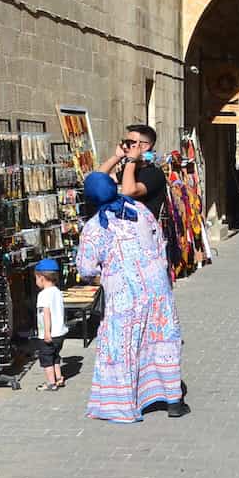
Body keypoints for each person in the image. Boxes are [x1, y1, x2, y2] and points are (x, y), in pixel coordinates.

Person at [77, 172, 189, 421]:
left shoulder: (94, 228)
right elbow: (160, 243)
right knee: (161, 340)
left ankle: (124, 403)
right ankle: (173, 400)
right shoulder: (139, 209)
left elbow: (86, 269)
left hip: (124, 295)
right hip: (157, 290)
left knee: (124, 344)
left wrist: (102, 274)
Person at [98, 123, 167, 222]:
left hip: (142, 233)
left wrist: (131, 160)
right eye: (124, 142)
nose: (125, 146)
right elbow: (98, 179)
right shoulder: (129, 171)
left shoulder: (154, 174)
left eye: (129, 142)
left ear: (144, 146)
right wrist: (116, 157)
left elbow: (128, 191)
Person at [34, 259, 68, 391]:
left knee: (46, 358)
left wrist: (46, 332)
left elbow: (46, 313)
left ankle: (50, 382)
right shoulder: (57, 292)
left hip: (48, 334)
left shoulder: (43, 295)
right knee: (55, 356)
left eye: (36, 278)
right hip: (60, 333)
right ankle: (59, 378)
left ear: (41, 278)